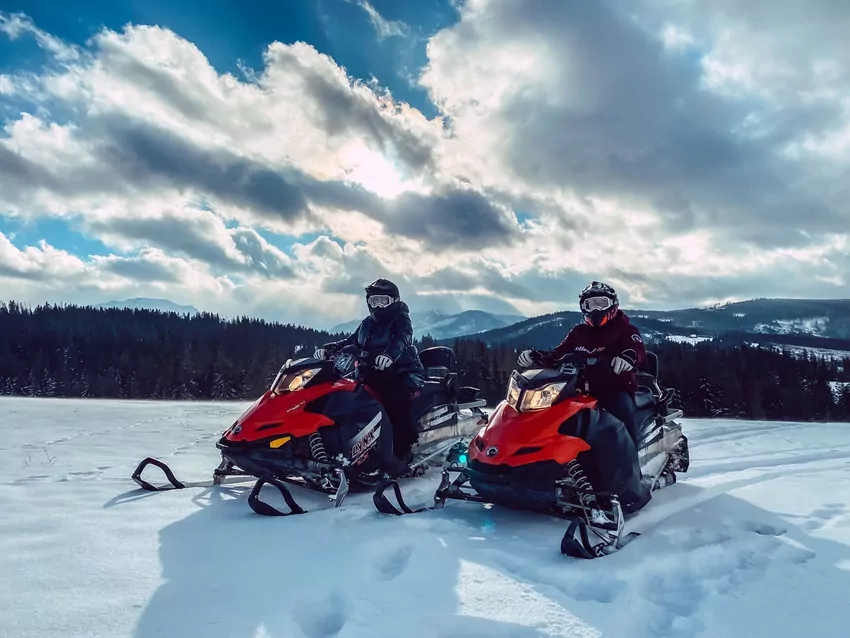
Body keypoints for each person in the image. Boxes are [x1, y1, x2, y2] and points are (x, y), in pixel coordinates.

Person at [516, 281, 651, 513]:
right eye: (590, 304)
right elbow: (559, 354)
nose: (596, 309)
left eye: (601, 303)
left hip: (615, 388)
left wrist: (627, 358)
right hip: (580, 389)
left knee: (621, 421)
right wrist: (538, 356)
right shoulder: (579, 333)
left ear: (613, 305)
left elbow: (636, 350)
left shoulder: (626, 330)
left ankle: (630, 478)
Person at [314, 278, 424, 476]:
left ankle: (401, 452)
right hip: (371, 374)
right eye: (374, 302)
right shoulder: (367, 323)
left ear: (394, 301)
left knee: (394, 405)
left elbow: (402, 338)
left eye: (383, 301)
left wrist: (389, 355)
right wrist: (330, 349)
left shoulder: (400, 319)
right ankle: (354, 449)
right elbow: (352, 341)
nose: (378, 306)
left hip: (401, 373)